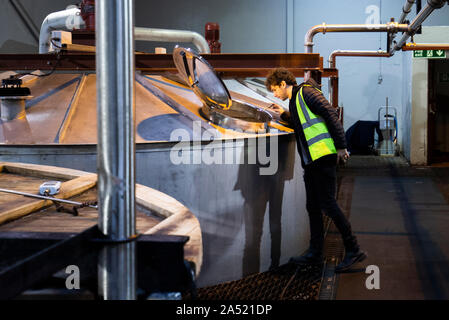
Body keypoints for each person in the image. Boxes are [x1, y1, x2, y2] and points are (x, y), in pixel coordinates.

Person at [265, 67, 366, 272]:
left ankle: (353, 249)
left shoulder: (307, 93)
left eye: (275, 89)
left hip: (323, 157)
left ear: (283, 84)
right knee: (312, 206)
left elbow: (331, 115)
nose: (274, 93)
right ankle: (315, 253)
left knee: (328, 205)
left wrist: (341, 146)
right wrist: (284, 114)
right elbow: (302, 124)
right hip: (311, 161)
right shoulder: (295, 101)